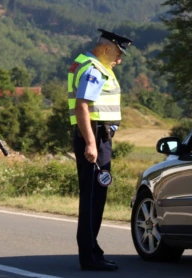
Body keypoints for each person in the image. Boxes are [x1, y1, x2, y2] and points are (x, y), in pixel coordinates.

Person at [68, 28, 133, 272]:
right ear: (106, 48)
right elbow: (82, 106)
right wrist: (91, 144)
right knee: (94, 198)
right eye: (118, 53)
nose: (120, 59)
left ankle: (92, 251)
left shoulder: (90, 65)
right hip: (95, 136)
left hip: (96, 136)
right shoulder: (93, 69)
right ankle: (90, 255)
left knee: (94, 196)